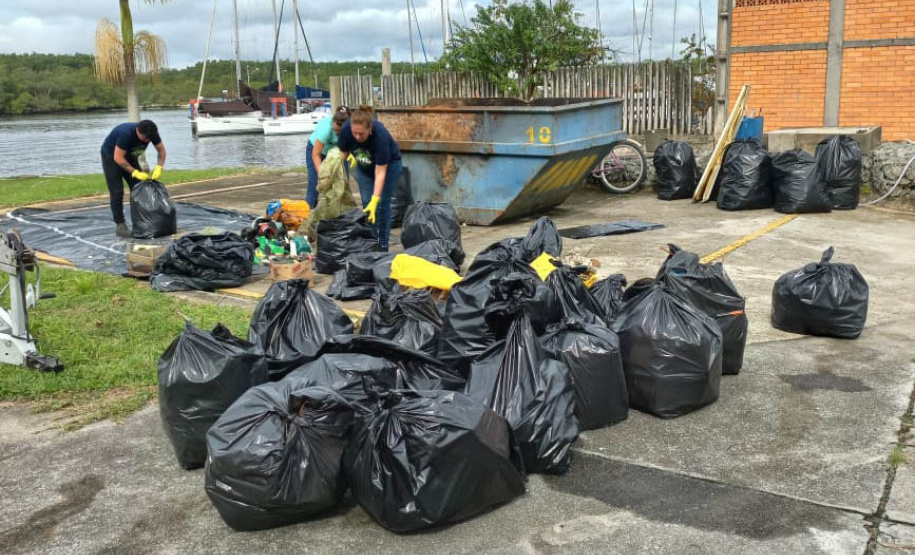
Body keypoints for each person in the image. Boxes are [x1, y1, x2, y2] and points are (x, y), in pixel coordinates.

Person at [337, 105, 402, 251]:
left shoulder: (380, 136)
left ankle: (383, 244)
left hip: (389, 166)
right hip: (364, 166)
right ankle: (373, 241)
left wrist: (375, 199)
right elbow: (342, 155)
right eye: (355, 133)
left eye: (362, 134)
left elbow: (380, 173)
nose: (358, 137)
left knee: (382, 205)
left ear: (370, 129)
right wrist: (337, 180)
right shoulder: (347, 130)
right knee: (366, 203)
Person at [100, 120, 166, 237]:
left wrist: (159, 167)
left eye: (149, 139)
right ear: (138, 131)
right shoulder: (126, 133)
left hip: (130, 156)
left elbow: (161, 151)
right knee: (117, 191)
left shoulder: (152, 133)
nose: (147, 141)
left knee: (138, 187)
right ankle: (120, 226)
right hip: (111, 157)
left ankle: (140, 220)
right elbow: (118, 158)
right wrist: (135, 172)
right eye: (145, 139)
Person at [305, 106, 351, 209]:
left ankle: (340, 212)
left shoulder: (350, 129)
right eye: (337, 131)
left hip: (337, 153)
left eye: (341, 132)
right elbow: (315, 154)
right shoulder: (326, 129)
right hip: (317, 152)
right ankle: (308, 211)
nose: (339, 134)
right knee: (315, 183)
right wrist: (323, 173)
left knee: (342, 182)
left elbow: (346, 151)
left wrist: (336, 168)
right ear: (333, 122)